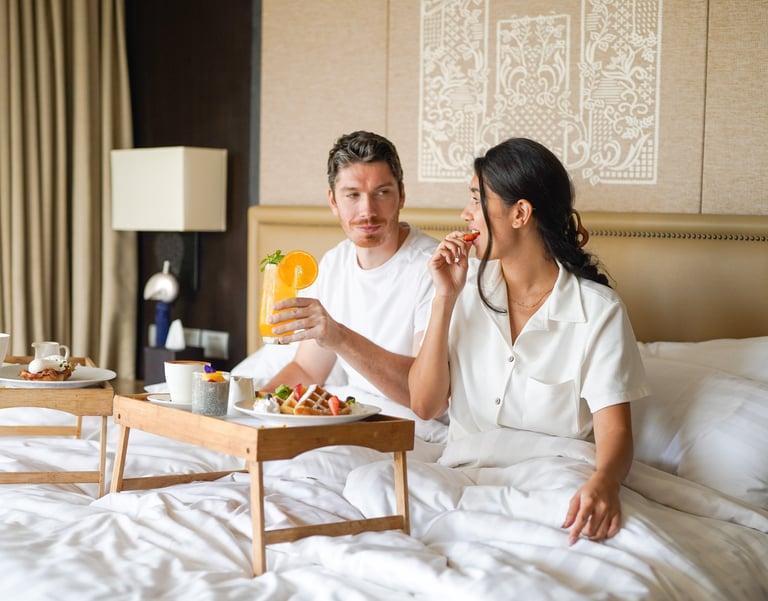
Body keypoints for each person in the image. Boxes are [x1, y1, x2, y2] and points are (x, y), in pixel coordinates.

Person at [408, 137, 649, 543]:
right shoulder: (459, 288)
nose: (466, 214)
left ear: (519, 213)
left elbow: (615, 432)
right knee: (370, 482)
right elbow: (425, 405)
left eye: (476, 199)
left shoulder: (598, 310)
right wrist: (444, 299)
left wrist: (605, 483)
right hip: (463, 473)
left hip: (551, 476)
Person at [257, 130, 439, 415]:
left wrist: (339, 337)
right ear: (333, 200)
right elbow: (307, 369)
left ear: (402, 195)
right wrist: (255, 404)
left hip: (414, 425)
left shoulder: (434, 269)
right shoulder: (334, 263)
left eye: (382, 193)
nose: (367, 210)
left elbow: (424, 396)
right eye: (353, 195)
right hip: (355, 414)